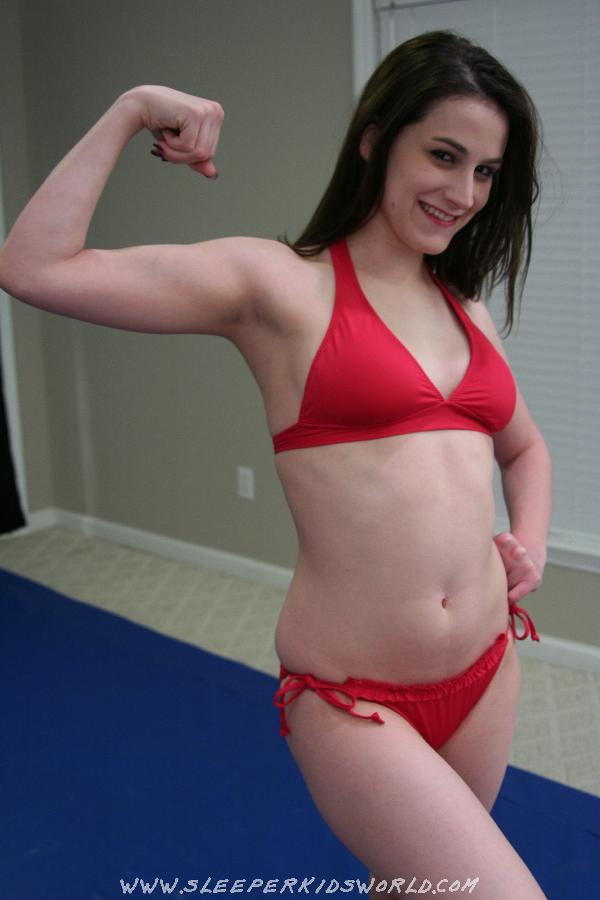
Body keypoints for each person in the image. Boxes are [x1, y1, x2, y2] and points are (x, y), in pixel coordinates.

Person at [0, 29, 551, 899]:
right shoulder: (278, 284)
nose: (464, 193)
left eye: (485, 171)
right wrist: (132, 109)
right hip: (355, 697)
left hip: (487, 669)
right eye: (443, 156)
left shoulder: (466, 310)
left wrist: (533, 540)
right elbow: (35, 267)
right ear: (376, 139)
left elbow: (523, 446)